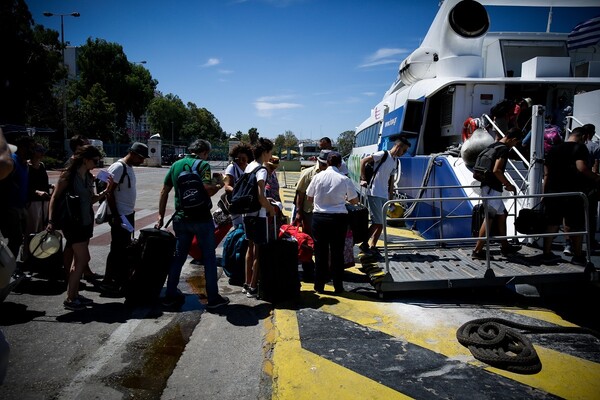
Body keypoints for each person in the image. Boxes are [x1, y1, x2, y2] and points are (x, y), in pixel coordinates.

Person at [157, 139, 230, 309]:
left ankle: (170, 294)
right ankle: (213, 299)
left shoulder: (175, 165)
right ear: (204, 152)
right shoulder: (203, 165)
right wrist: (219, 183)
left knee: (179, 257)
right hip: (202, 219)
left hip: (181, 218)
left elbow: (164, 191)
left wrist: (161, 216)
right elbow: (207, 189)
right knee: (209, 258)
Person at [47, 145, 109, 310]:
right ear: (85, 160)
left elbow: (89, 200)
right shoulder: (68, 176)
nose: (97, 163)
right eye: (95, 160)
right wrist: (51, 220)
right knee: (83, 259)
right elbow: (55, 198)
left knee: (79, 261)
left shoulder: (88, 177)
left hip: (86, 222)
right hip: (73, 224)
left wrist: (104, 193)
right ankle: (70, 299)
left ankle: (74, 294)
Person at [544, 126, 600, 265]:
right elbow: (581, 168)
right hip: (572, 192)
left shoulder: (554, 149)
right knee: (576, 224)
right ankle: (578, 255)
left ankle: (546, 253)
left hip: (553, 190)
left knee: (552, 223)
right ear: (584, 136)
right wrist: (596, 177)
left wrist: (544, 193)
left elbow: (547, 173)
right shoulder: (580, 148)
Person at [306, 151, 359, 294]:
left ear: (327, 162)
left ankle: (319, 286)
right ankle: (338, 286)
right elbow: (355, 200)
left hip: (320, 218)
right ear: (340, 164)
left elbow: (309, 197)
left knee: (320, 253)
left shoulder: (317, 177)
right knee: (337, 254)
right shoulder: (344, 179)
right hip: (338, 220)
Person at [100, 143, 149, 294]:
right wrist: (116, 216)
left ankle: (119, 278)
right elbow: (108, 193)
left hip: (127, 214)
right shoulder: (118, 167)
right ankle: (108, 281)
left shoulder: (129, 168)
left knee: (125, 246)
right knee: (117, 248)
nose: (142, 161)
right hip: (120, 215)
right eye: (140, 158)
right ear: (132, 153)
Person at [471, 128, 523, 259]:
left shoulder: (493, 145)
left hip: (487, 186)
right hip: (493, 188)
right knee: (489, 218)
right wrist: (508, 184)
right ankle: (477, 251)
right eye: (516, 143)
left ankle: (505, 246)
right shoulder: (504, 149)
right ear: (513, 139)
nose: (514, 146)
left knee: (502, 214)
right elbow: (497, 170)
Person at [359, 137, 411, 254]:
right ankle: (364, 243)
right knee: (377, 222)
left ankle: (372, 246)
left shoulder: (395, 161)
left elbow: (391, 182)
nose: (404, 153)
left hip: (384, 195)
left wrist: (391, 200)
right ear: (398, 147)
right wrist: (363, 179)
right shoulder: (383, 154)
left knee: (381, 223)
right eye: (405, 150)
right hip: (374, 192)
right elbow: (363, 161)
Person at [64, 134, 101, 281]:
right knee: (72, 247)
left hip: (84, 213)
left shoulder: (84, 169)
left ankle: (82, 272)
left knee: (82, 247)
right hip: (74, 216)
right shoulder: (71, 166)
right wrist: (51, 220)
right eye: (84, 144)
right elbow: (57, 195)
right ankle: (71, 276)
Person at [242, 138, 275, 298]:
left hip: (247, 213)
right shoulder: (261, 170)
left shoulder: (249, 166)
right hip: (259, 215)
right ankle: (253, 287)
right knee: (259, 252)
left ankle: (247, 282)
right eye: (270, 152)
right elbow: (260, 196)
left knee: (250, 249)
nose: (271, 156)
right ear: (264, 152)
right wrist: (270, 209)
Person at [294, 150, 329, 281]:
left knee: (321, 243)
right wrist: (298, 212)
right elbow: (300, 194)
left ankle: (322, 268)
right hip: (309, 213)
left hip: (323, 213)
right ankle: (307, 266)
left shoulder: (329, 174)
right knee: (307, 241)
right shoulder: (308, 173)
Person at [0, 135, 35, 263]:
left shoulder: (24, 164)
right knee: (15, 239)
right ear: (21, 148)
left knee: (17, 238)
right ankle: (8, 267)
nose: (32, 151)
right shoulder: (12, 161)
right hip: (9, 207)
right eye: (30, 148)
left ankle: (9, 266)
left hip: (20, 206)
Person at [222, 143, 253, 227]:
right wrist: (240, 193)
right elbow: (227, 186)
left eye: (244, 159)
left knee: (248, 229)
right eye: (238, 158)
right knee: (239, 228)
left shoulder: (249, 167)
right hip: (236, 203)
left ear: (248, 158)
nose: (241, 161)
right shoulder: (232, 167)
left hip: (247, 204)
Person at [26, 144, 53, 235]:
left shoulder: (42, 165)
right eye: (39, 151)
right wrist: (37, 192)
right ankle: (28, 248)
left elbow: (43, 183)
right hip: (33, 201)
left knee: (43, 228)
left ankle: (40, 249)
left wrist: (51, 186)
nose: (42, 153)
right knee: (32, 229)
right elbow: (26, 185)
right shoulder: (27, 166)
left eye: (42, 151)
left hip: (44, 200)